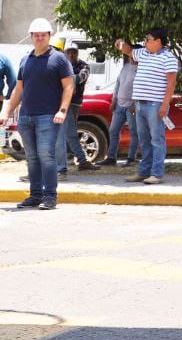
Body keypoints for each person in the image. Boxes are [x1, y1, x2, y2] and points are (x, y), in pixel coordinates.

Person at [0, 18, 73, 209]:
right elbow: (18, 90)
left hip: (48, 117)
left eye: (43, 35)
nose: (40, 38)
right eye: (36, 35)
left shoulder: (59, 59)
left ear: (49, 36)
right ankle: (35, 195)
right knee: (32, 158)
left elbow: (68, 86)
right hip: (26, 117)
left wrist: (62, 110)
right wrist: (6, 111)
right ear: (31, 37)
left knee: (46, 156)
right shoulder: (26, 59)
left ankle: (50, 196)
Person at [126, 27, 179, 185]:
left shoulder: (168, 58)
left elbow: (171, 84)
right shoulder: (143, 53)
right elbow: (129, 51)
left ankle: (156, 174)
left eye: (148, 39)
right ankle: (144, 172)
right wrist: (121, 44)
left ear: (158, 41)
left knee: (157, 140)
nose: (145, 42)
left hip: (155, 104)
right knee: (143, 140)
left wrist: (165, 105)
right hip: (140, 104)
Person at [59, 41, 99, 173]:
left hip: (74, 103)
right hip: (64, 103)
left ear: (77, 53)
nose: (71, 54)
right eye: (69, 52)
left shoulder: (84, 65)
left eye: (74, 52)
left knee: (69, 131)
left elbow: (81, 77)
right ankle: (81, 160)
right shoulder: (62, 64)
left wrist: (67, 81)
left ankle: (72, 158)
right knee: (69, 132)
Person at [103, 40, 139, 167]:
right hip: (119, 104)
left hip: (132, 105)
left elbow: (140, 88)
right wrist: (114, 99)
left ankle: (131, 157)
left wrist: (136, 103)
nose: (130, 56)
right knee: (113, 130)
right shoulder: (126, 67)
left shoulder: (141, 69)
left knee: (134, 131)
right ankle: (111, 157)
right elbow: (118, 83)